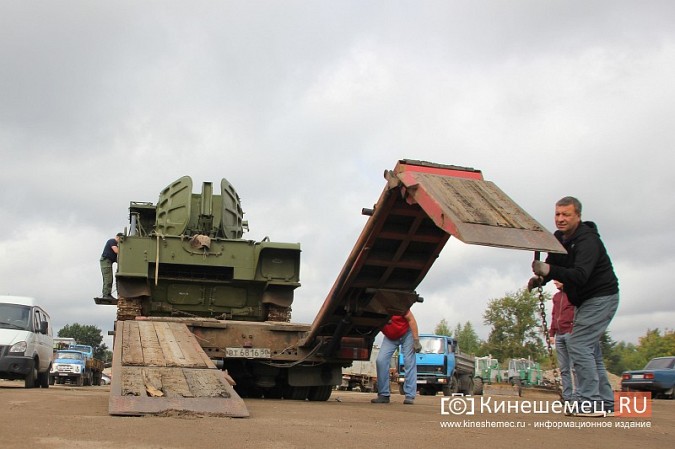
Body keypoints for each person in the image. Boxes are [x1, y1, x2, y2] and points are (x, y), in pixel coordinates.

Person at [528, 196, 619, 417]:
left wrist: (548, 271)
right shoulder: (560, 238)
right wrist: (542, 279)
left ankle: (589, 402)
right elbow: (554, 264)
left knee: (579, 344)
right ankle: (605, 402)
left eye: (566, 214)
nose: (560, 219)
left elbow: (580, 275)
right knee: (591, 351)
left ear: (578, 216)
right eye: (557, 214)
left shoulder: (588, 241)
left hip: (602, 297)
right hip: (585, 300)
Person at [371, 309, 422, 405]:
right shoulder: (376, 309)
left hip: (407, 333)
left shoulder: (398, 304)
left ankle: (410, 395)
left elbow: (411, 319)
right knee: (380, 361)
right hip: (390, 337)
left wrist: (416, 340)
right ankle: (383, 395)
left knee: (408, 361)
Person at [549, 280, 577, 403]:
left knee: (575, 367)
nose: (554, 282)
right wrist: (551, 334)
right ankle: (567, 396)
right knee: (564, 369)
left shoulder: (574, 294)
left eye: (556, 279)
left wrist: (574, 328)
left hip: (570, 333)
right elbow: (554, 315)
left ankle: (579, 396)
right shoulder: (556, 297)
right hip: (559, 335)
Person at [100, 233, 123, 300]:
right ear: (117, 237)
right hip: (105, 261)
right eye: (120, 239)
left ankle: (107, 294)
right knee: (108, 278)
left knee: (109, 278)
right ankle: (106, 295)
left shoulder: (115, 244)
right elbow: (116, 251)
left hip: (108, 261)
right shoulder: (112, 241)